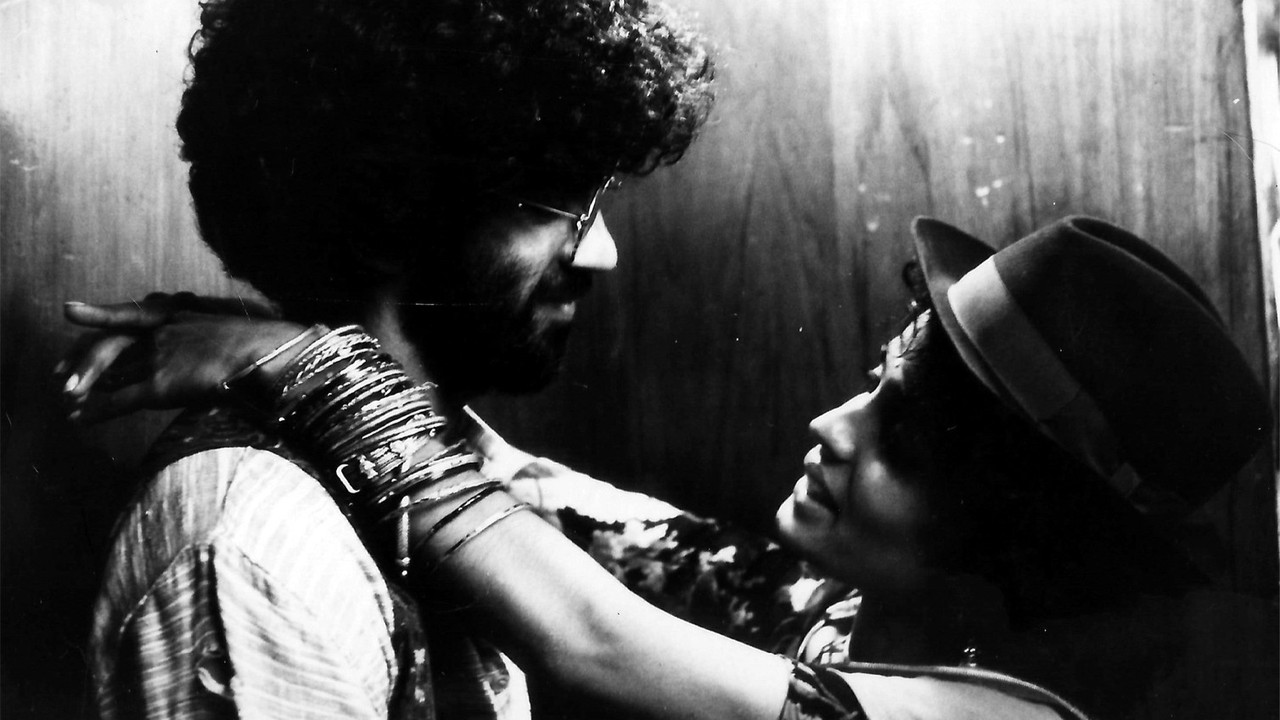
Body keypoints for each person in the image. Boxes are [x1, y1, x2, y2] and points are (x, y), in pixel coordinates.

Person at [64, 216, 1273, 719]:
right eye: (875, 382)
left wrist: (305, 364)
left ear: (1012, 534)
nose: (832, 425)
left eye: (900, 438)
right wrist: (301, 348)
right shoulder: (884, 621)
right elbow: (604, 528)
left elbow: (587, 632)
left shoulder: (1001, 717)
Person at [61, 0, 715, 717]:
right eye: (551, 199)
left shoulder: (470, 474)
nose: (602, 252)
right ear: (391, 205)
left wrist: (304, 361)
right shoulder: (260, 546)